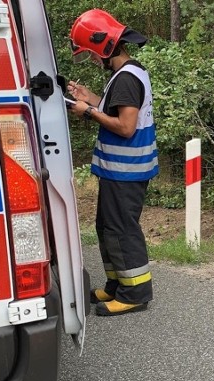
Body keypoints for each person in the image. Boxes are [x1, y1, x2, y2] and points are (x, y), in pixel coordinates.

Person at [67, 9, 158, 316]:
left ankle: (135, 294)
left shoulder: (126, 79)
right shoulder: (124, 75)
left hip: (126, 172)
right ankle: (117, 284)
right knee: (107, 227)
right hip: (118, 171)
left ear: (104, 47)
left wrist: (88, 112)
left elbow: (125, 126)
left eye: (92, 54)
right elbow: (114, 108)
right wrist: (88, 97)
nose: (92, 59)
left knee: (121, 230)